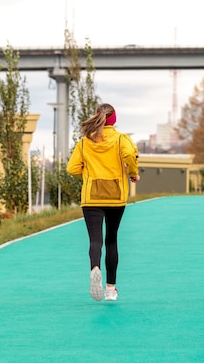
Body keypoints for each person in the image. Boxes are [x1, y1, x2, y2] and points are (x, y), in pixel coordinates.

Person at [67, 103, 140, 301]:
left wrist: (89, 173)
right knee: (112, 240)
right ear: (113, 119)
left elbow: (72, 169)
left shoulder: (84, 142)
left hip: (91, 196)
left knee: (95, 240)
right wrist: (132, 173)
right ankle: (110, 289)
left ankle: (95, 268)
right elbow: (129, 156)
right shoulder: (121, 139)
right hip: (115, 196)